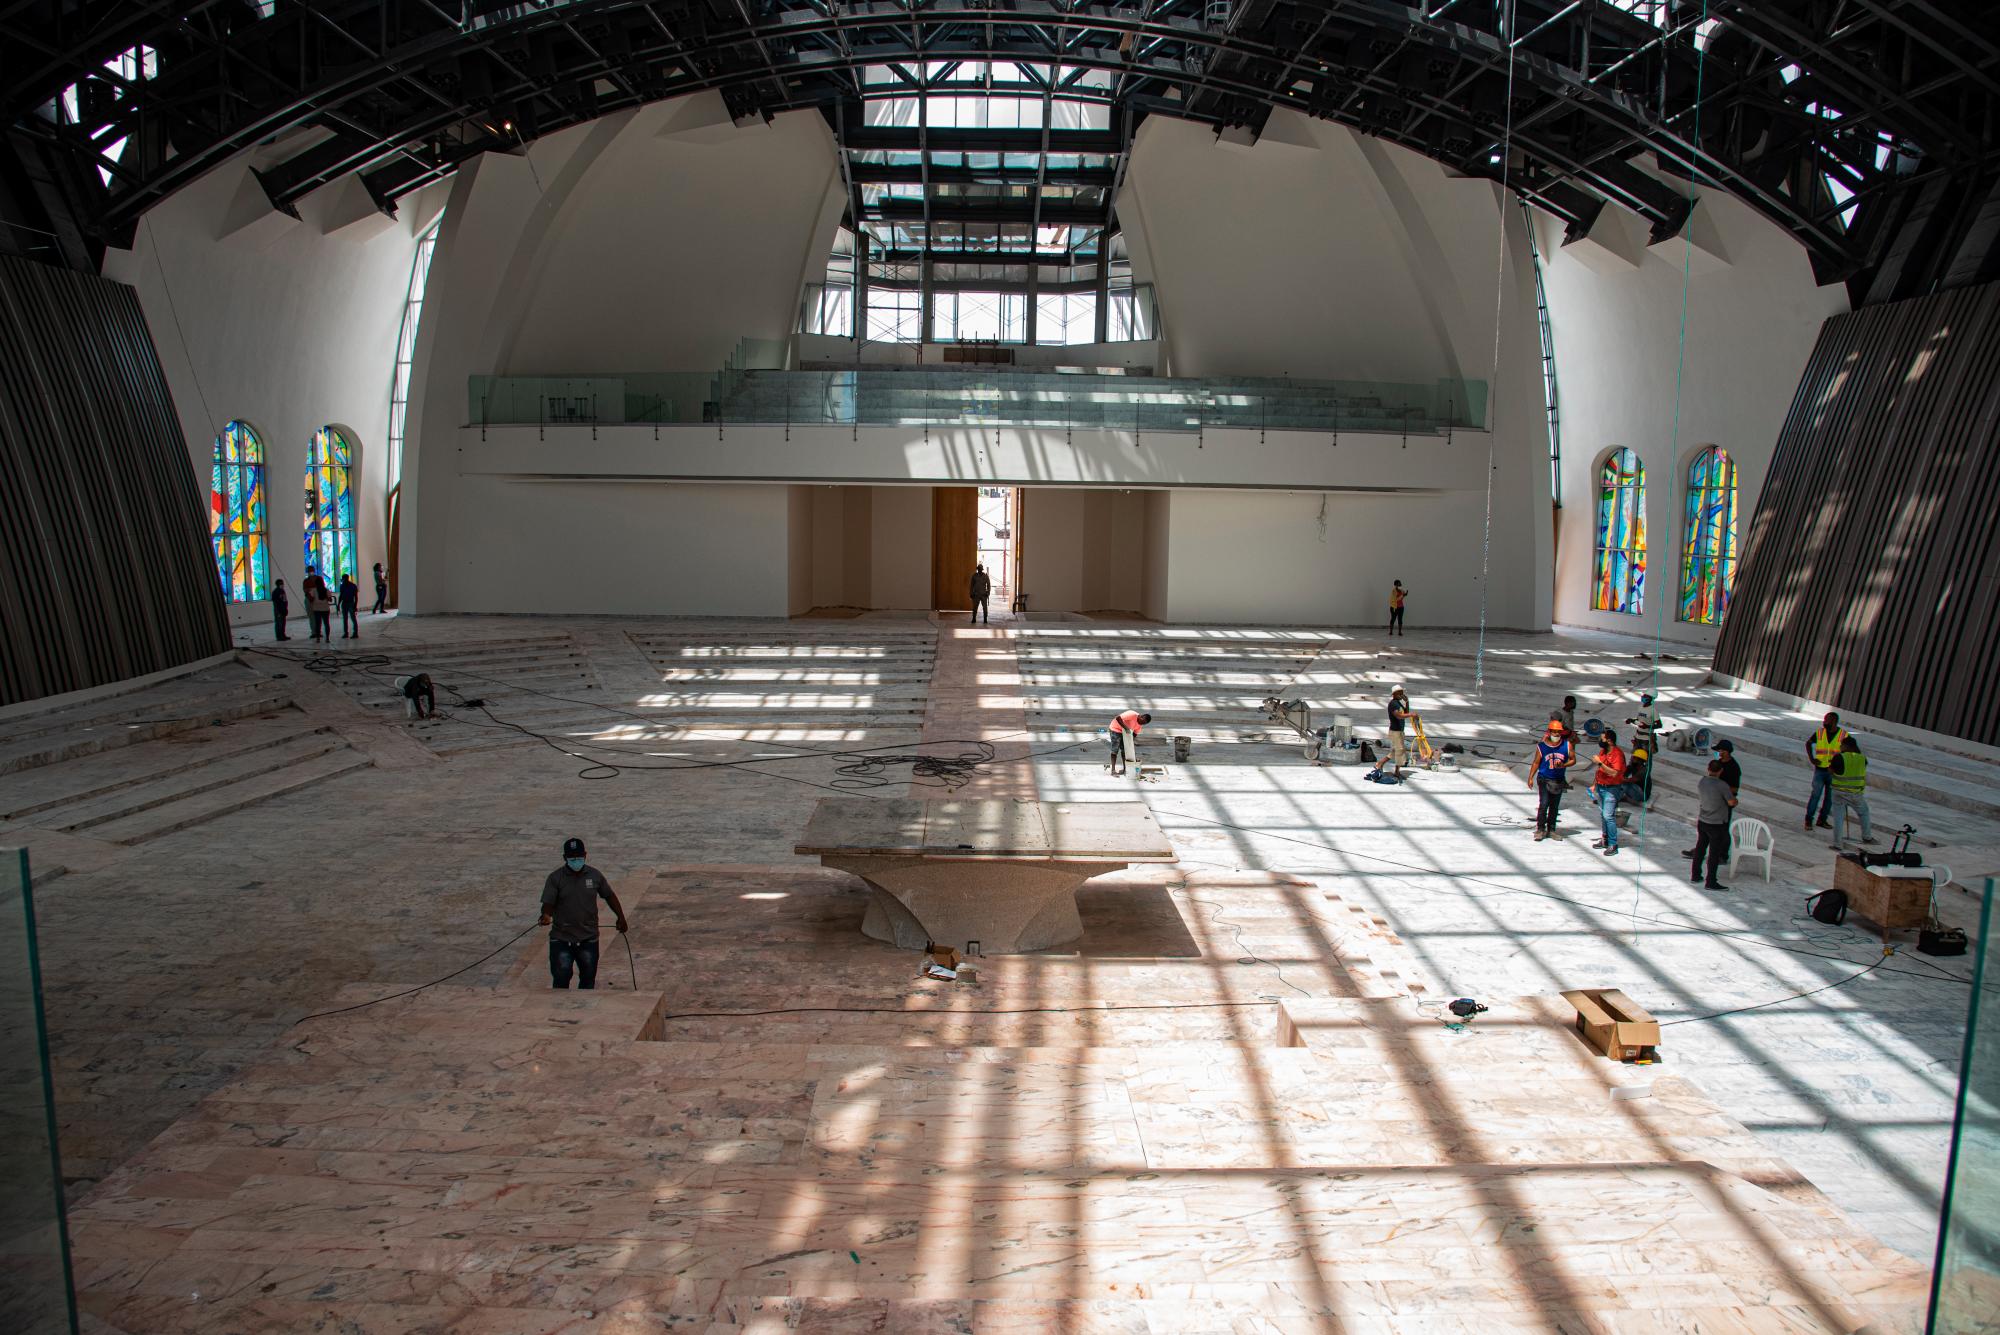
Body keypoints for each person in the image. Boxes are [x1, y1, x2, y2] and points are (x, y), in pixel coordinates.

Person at [537, 837, 628, 990]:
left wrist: (621, 917)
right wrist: (546, 915)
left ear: (585, 855)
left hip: (588, 938)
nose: (576, 860)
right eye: (572, 858)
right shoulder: (555, 878)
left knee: (588, 979)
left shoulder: (594, 875)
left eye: (579, 857)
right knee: (561, 978)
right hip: (562, 939)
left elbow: (609, 895)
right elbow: (548, 903)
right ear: (565, 858)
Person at [1684, 739, 1744, 859]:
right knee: (1706, 828)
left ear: (1727, 751)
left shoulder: (1734, 768)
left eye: (1722, 751)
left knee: (1723, 829)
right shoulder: (1719, 763)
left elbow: (1734, 789)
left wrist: (1721, 789)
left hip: (1725, 802)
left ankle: (1722, 855)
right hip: (1712, 799)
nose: (1719, 753)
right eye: (1719, 751)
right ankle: (1699, 851)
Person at [1690, 758, 1737, 890]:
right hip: (1716, 823)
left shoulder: (1702, 781)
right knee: (1714, 853)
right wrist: (1735, 800)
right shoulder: (1722, 785)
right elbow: (1731, 802)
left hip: (1703, 820)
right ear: (1720, 771)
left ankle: (1695, 875)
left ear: (1708, 769)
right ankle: (1711, 881)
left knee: (1700, 848)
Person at [1529, 719, 1575, 842]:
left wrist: (1564, 765)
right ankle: (1540, 829)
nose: (1556, 734)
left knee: (1554, 806)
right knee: (1544, 804)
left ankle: (1551, 830)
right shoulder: (1542, 746)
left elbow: (1573, 760)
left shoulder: (1566, 745)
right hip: (1544, 778)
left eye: (1558, 732)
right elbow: (1536, 762)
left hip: (1558, 780)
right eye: (1554, 732)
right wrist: (1530, 777)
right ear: (1549, 732)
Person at [1804, 711, 1848, 830]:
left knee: (1829, 798)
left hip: (1833, 772)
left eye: (1827, 720)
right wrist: (1812, 758)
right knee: (1815, 795)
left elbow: (1849, 752)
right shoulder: (1820, 732)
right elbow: (1808, 743)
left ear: (1834, 721)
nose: (1824, 722)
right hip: (1820, 770)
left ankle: (1822, 820)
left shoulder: (1843, 735)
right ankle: (1808, 820)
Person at [1829, 735, 1875, 846]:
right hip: (1855, 793)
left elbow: (1830, 771)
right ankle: (1867, 837)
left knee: (1838, 817)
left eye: (1841, 745)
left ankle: (1837, 843)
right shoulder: (1862, 758)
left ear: (1847, 746)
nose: (1840, 747)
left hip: (1838, 792)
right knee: (1864, 813)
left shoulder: (1839, 757)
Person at [1587, 729, 1627, 855]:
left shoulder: (1617, 754)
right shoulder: (1603, 751)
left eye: (1602, 738)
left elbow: (1614, 772)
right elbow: (1599, 771)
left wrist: (1599, 763)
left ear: (1609, 741)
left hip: (1611, 789)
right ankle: (1605, 839)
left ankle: (1613, 844)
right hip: (1601, 786)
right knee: (1603, 815)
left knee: (1608, 816)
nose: (1600, 740)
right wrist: (1594, 784)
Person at [1374, 687, 1413, 777]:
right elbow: (1398, 715)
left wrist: (1407, 702)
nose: (1402, 695)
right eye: (1400, 693)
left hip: (1400, 730)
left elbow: (1406, 712)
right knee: (1399, 751)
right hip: (1395, 731)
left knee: (1397, 751)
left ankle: (1388, 767)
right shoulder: (1393, 704)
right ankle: (1384, 765)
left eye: (1402, 693)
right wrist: (1411, 715)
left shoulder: (1399, 703)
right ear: (1394, 694)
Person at [1106, 709, 1150, 776]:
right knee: (1115, 750)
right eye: (1142, 721)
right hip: (1115, 729)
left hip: (1124, 733)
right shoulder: (1132, 714)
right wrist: (1126, 728)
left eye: (1143, 724)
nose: (1141, 724)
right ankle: (1113, 770)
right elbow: (1118, 718)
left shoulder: (1139, 726)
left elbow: (1134, 735)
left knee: (1125, 751)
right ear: (1141, 716)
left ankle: (1125, 769)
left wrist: (1130, 746)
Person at [302, 566, 332, 643]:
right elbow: (306, 591)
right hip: (321, 607)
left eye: (311, 570)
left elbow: (309, 593)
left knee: (320, 621)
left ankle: (318, 635)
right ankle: (315, 633)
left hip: (318, 607)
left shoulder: (317, 584)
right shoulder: (306, 581)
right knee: (314, 618)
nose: (310, 572)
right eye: (309, 571)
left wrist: (311, 593)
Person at [337, 572, 360, 639]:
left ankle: (355, 633)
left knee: (352, 618)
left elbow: (356, 597)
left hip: (350, 603)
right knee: (345, 619)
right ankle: (346, 633)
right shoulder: (343, 586)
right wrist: (338, 604)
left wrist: (355, 606)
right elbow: (341, 595)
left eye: (343, 579)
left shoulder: (352, 586)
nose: (343, 580)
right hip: (345, 603)